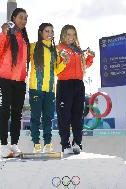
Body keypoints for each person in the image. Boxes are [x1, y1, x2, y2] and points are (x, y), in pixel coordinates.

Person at [0, 8, 30, 158]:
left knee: (16, 115)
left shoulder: (24, 37)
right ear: (13, 18)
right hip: (4, 81)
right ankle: (3, 145)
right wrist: (3, 34)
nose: (23, 20)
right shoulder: (7, 33)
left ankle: (14, 143)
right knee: (4, 113)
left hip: (20, 82)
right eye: (21, 17)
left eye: (26, 18)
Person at [56, 24, 95, 154]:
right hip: (64, 84)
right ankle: (65, 145)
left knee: (78, 116)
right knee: (64, 116)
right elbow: (56, 68)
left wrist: (90, 57)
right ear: (63, 35)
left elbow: (84, 66)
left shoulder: (78, 50)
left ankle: (77, 143)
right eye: (68, 34)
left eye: (73, 34)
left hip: (79, 84)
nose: (70, 37)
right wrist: (63, 60)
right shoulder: (58, 48)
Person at [29, 23, 66, 153]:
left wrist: (64, 63)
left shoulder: (54, 50)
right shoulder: (33, 47)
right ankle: (36, 144)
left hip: (50, 90)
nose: (49, 34)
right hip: (35, 88)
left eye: (51, 31)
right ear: (41, 32)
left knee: (48, 118)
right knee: (35, 118)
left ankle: (48, 144)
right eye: (46, 31)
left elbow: (56, 71)